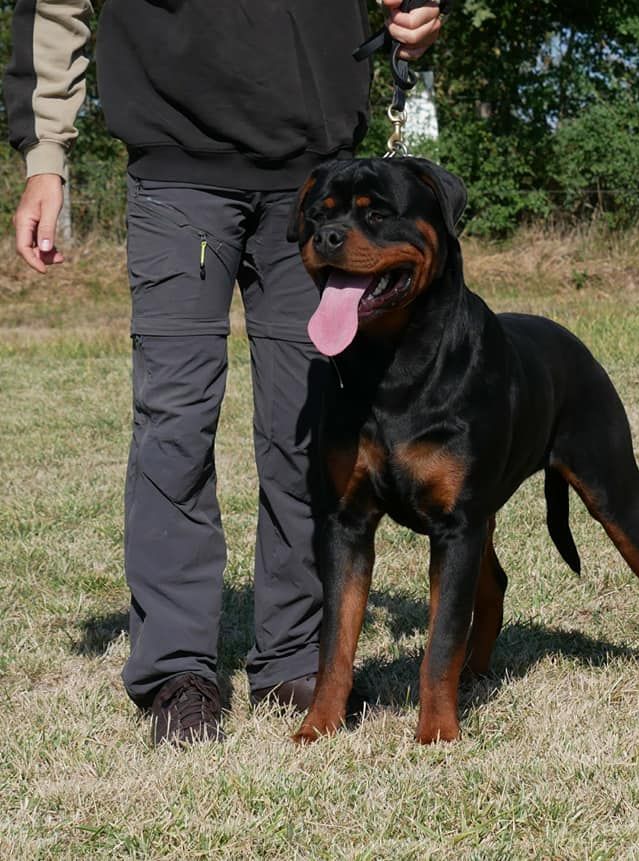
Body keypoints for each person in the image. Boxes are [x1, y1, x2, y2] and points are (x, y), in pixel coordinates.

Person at [5, 0, 444, 746]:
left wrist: (416, 17)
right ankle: (177, 670)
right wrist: (45, 155)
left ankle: (294, 657)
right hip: (177, 169)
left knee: (308, 431)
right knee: (174, 425)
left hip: (318, 178)